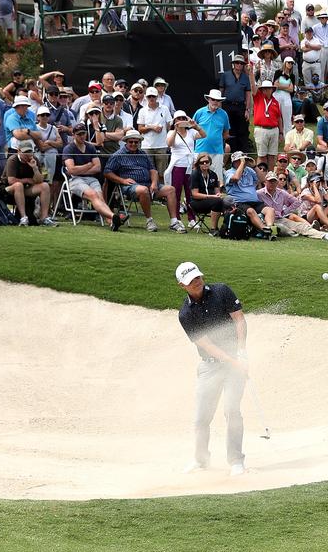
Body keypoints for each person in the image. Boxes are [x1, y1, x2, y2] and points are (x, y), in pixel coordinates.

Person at [176, 261, 249, 476]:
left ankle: (236, 460)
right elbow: (206, 344)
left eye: (197, 277)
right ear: (182, 285)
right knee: (201, 418)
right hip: (210, 367)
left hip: (236, 362)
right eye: (191, 281)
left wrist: (242, 351)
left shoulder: (222, 291)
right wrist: (233, 361)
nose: (196, 282)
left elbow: (239, 319)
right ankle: (201, 460)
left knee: (232, 411)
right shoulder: (185, 314)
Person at [105, 129, 185, 232]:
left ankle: (174, 222)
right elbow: (107, 172)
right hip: (130, 186)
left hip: (148, 183)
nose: (133, 144)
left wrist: (154, 183)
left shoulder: (143, 154)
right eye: (131, 142)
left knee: (171, 189)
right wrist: (122, 180)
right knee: (143, 190)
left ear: (139, 142)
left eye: (136, 142)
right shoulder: (118, 155)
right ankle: (149, 220)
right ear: (126, 141)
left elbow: (153, 170)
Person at [62, 123, 118, 227]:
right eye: (79, 134)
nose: (82, 136)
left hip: (91, 179)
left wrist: (81, 169)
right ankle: (113, 216)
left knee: (100, 197)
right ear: (73, 135)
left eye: (84, 133)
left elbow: (98, 167)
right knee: (93, 194)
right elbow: (72, 170)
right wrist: (88, 165)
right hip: (75, 180)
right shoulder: (69, 149)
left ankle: (112, 222)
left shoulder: (90, 147)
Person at [1, 140, 56, 226]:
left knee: (45, 186)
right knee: (18, 185)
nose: (28, 155)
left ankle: (44, 218)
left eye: (30, 152)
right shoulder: (13, 160)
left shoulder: (34, 160)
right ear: (19, 151)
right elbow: (11, 181)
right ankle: (23, 218)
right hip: (8, 189)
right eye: (25, 152)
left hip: (25, 189)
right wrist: (26, 180)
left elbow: (39, 181)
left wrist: (35, 168)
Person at [223, 150, 275, 237]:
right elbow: (236, 178)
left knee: (270, 210)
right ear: (235, 162)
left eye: (244, 160)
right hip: (239, 202)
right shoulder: (229, 172)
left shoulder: (249, 171)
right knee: (250, 211)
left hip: (254, 202)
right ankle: (264, 230)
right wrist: (242, 163)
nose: (244, 162)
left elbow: (263, 179)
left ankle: (269, 228)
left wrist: (255, 166)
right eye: (240, 160)